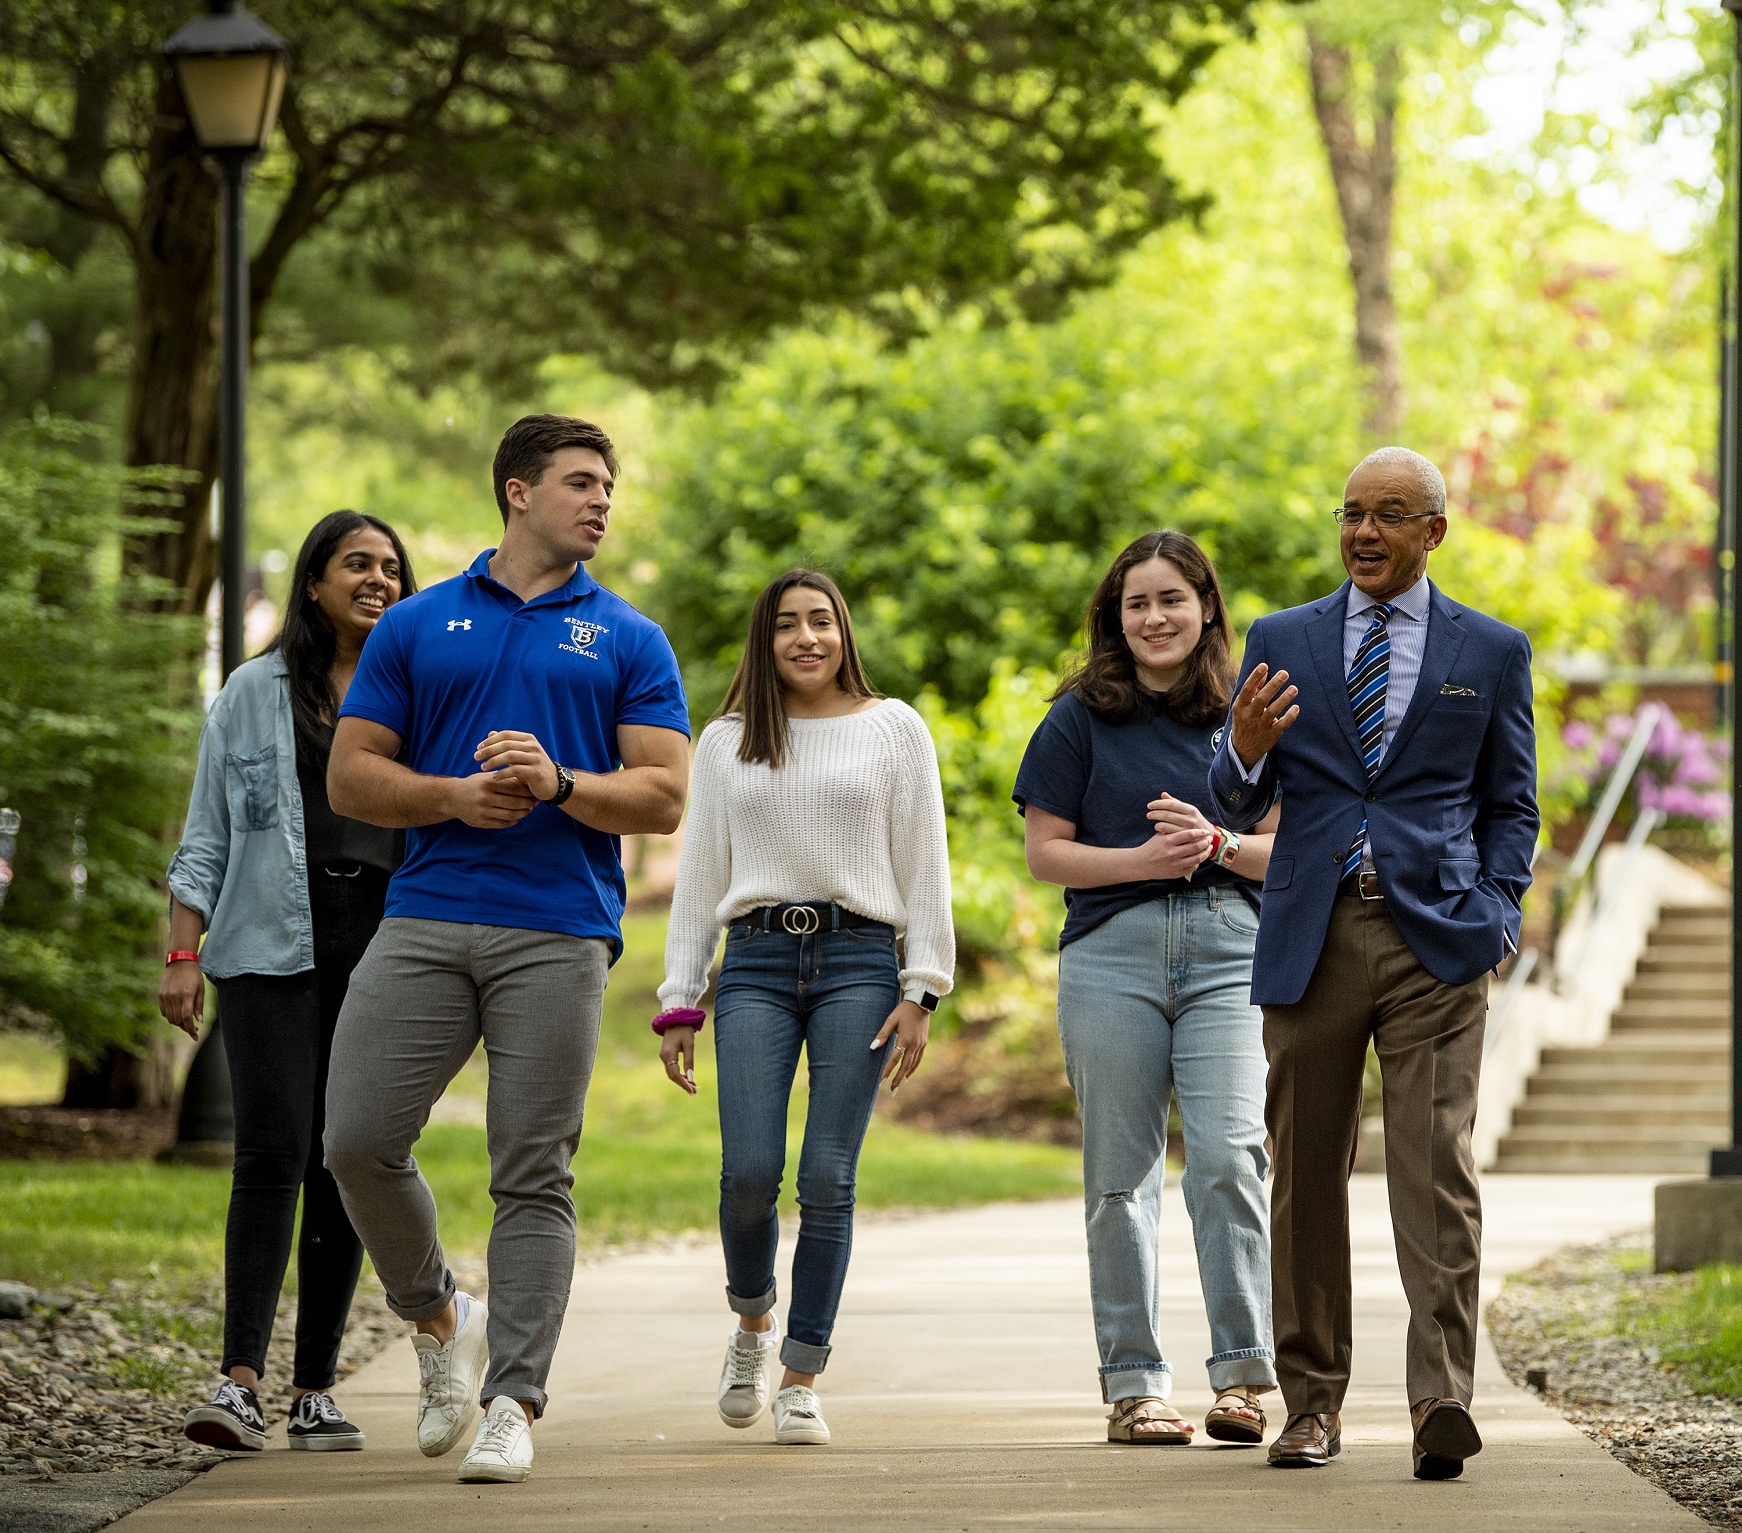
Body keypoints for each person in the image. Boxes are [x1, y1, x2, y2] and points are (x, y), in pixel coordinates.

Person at [321, 414, 692, 1485]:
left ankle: (512, 1398)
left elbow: (663, 796)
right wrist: (451, 797)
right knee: (356, 1138)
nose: (601, 503)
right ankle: (440, 1317)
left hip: (560, 931)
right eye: (581, 483)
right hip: (427, 912)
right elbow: (352, 778)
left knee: (532, 1172)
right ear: (517, 492)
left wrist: (561, 783)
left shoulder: (628, 636)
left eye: (608, 488)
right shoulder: (419, 623)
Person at [1208, 446, 1539, 1479]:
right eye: (1351, 511)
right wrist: (1246, 751)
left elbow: (1510, 804)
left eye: (1388, 515)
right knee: (1302, 1177)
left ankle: (1440, 1395)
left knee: (1433, 1170)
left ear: (1431, 531)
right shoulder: (1281, 637)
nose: (1362, 531)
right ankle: (1309, 1406)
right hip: (1309, 935)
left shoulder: (1487, 651)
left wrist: (1493, 911)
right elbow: (1230, 801)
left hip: (1432, 940)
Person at [654, 569, 954, 1448]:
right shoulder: (727, 741)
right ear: (766, 639)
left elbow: (923, 861)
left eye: (821, 620)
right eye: (787, 624)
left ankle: (801, 1373)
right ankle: (751, 1323)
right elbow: (699, 873)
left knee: (828, 1175)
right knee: (749, 1171)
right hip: (752, 961)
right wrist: (681, 998)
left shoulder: (894, 729)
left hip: (860, 959)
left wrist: (922, 986)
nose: (806, 637)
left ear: (843, 631)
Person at [1013, 531, 1279, 1448]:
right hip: (1110, 953)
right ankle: (1135, 1386)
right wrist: (1142, 859)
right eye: (1137, 603)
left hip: (1231, 952)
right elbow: (1046, 851)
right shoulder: (1080, 716)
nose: (1155, 617)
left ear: (1206, 605)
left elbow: (1290, 846)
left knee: (1229, 1155)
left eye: (1172, 598)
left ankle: (1244, 1378)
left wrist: (1217, 845)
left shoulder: (1252, 711)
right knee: (1119, 1177)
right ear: (1115, 618)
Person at [163, 510, 419, 1454]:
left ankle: (315, 1389)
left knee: (342, 1158)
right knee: (269, 1156)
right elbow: (209, 831)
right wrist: (182, 951)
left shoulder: (419, 691)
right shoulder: (251, 691)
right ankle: (239, 1384)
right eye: (357, 564)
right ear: (314, 582)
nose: (378, 579)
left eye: (392, 567)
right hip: (270, 939)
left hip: (385, 941)